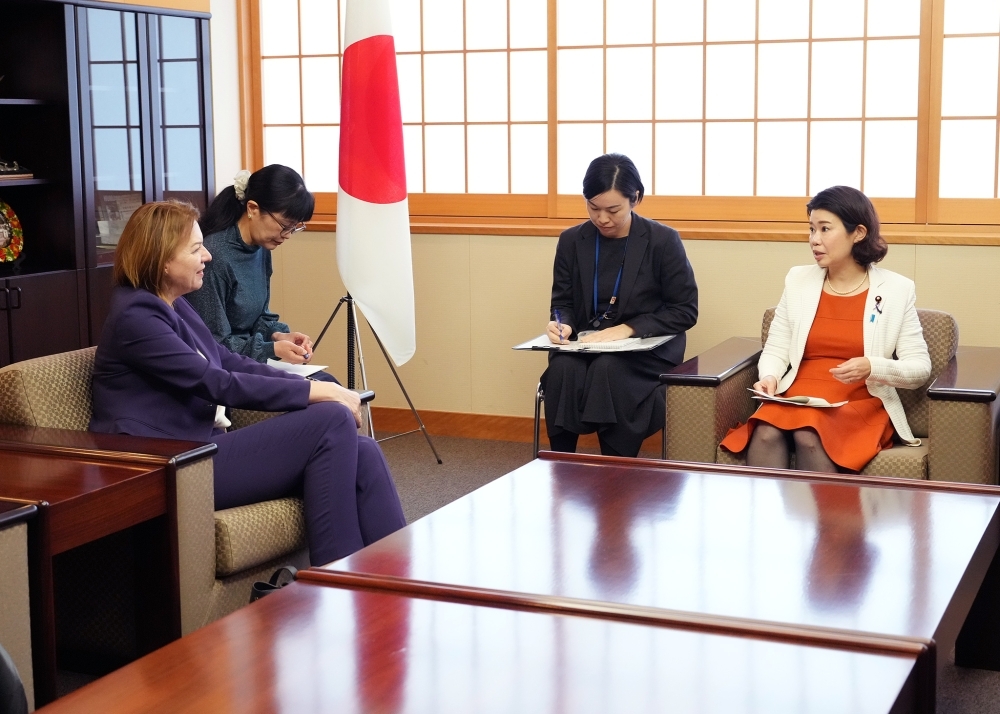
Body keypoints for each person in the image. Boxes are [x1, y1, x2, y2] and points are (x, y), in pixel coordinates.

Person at [89, 200, 406, 566]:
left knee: (361, 450)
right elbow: (217, 383)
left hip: (201, 450)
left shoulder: (172, 304)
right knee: (332, 418)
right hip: (170, 466)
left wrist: (312, 380)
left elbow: (230, 361)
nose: (207, 255)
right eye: (196, 248)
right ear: (161, 259)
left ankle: (398, 583)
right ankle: (335, 586)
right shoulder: (137, 316)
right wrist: (321, 392)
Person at [720, 186, 931, 473]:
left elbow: (919, 368)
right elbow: (777, 346)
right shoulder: (798, 280)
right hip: (799, 392)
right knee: (765, 434)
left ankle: (829, 518)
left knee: (809, 436)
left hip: (857, 398)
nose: (814, 240)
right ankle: (766, 518)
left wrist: (872, 366)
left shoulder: (896, 289)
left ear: (858, 232)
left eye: (825, 229)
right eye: (811, 230)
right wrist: (768, 375)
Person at [542, 153, 699, 457]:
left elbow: (685, 309)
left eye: (613, 209)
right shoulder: (572, 240)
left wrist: (628, 329)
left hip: (646, 350)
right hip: (588, 343)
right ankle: (559, 464)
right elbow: (561, 302)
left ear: (635, 198)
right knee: (562, 367)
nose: (602, 219)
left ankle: (617, 468)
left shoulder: (662, 240)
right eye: (593, 208)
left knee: (608, 369)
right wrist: (562, 322)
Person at [186, 165, 326, 371]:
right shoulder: (215, 256)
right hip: (225, 371)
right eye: (285, 225)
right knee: (325, 398)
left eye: (295, 228)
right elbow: (214, 345)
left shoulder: (260, 248)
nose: (287, 235)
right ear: (252, 209)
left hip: (249, 364)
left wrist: (278, 335)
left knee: (331, 388)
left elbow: (259, 316)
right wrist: (273, 349)